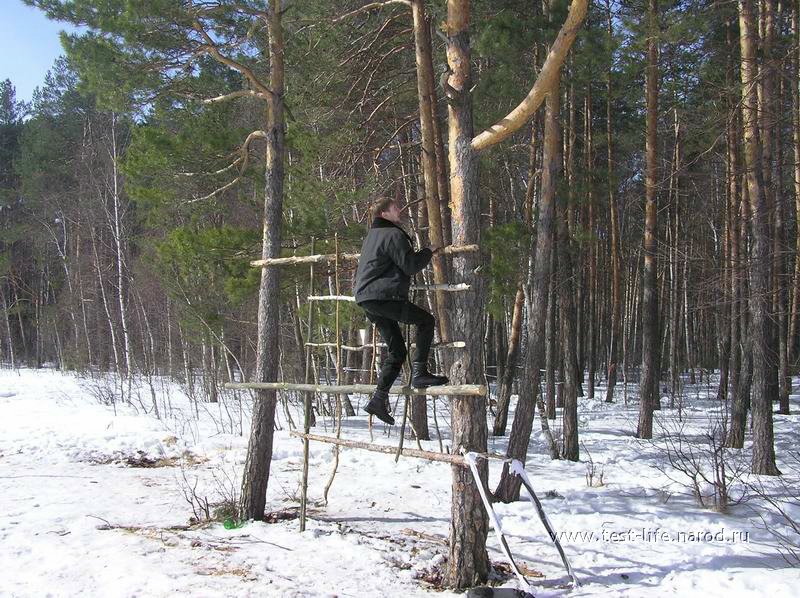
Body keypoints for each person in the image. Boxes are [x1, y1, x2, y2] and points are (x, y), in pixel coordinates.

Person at [354, 197, 449, 425]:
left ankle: (378, 399)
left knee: (397, 350)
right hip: (383, 296)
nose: (400, 210)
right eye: (395, 207)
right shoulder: (393, 234)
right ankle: (419, 373)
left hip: (367, 299)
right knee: (426, 321)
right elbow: (410, 265)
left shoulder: (372, 237)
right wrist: (428, 251)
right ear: (384, 213)